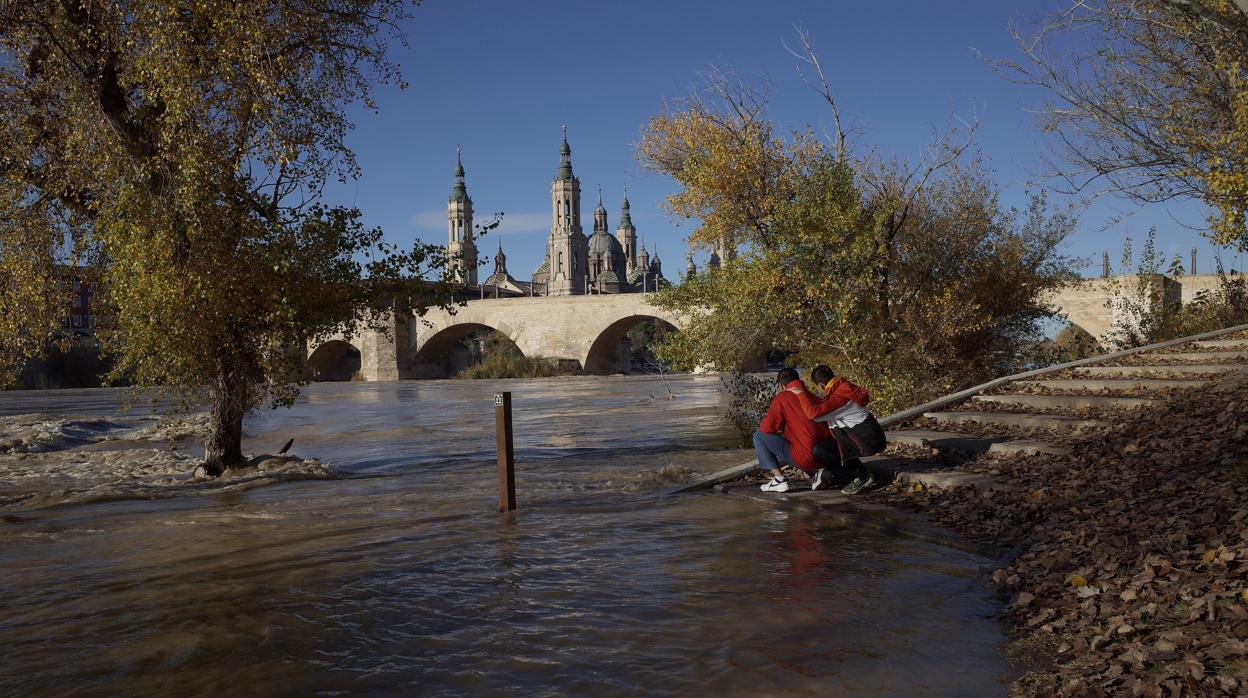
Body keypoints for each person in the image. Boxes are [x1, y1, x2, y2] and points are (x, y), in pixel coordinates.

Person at [788, 365, 887, 494]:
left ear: (821, 386)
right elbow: (824, 405)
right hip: (866, 436)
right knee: (833, 442)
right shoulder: (842, 388)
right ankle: (855, 473)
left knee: (821, 450)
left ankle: (861, 476)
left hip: (868, 441)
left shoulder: (842, 398)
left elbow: (814, 414)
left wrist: (801, 393)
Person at [753, 367, 833, 492]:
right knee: (800, 438)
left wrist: (781, 429)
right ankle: (817, 473)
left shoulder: (783, 397)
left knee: (758, 436)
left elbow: (766, 428)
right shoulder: (812, 395)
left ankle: (779, 480)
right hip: (827, 454)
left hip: (806, 457)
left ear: (782, 385)